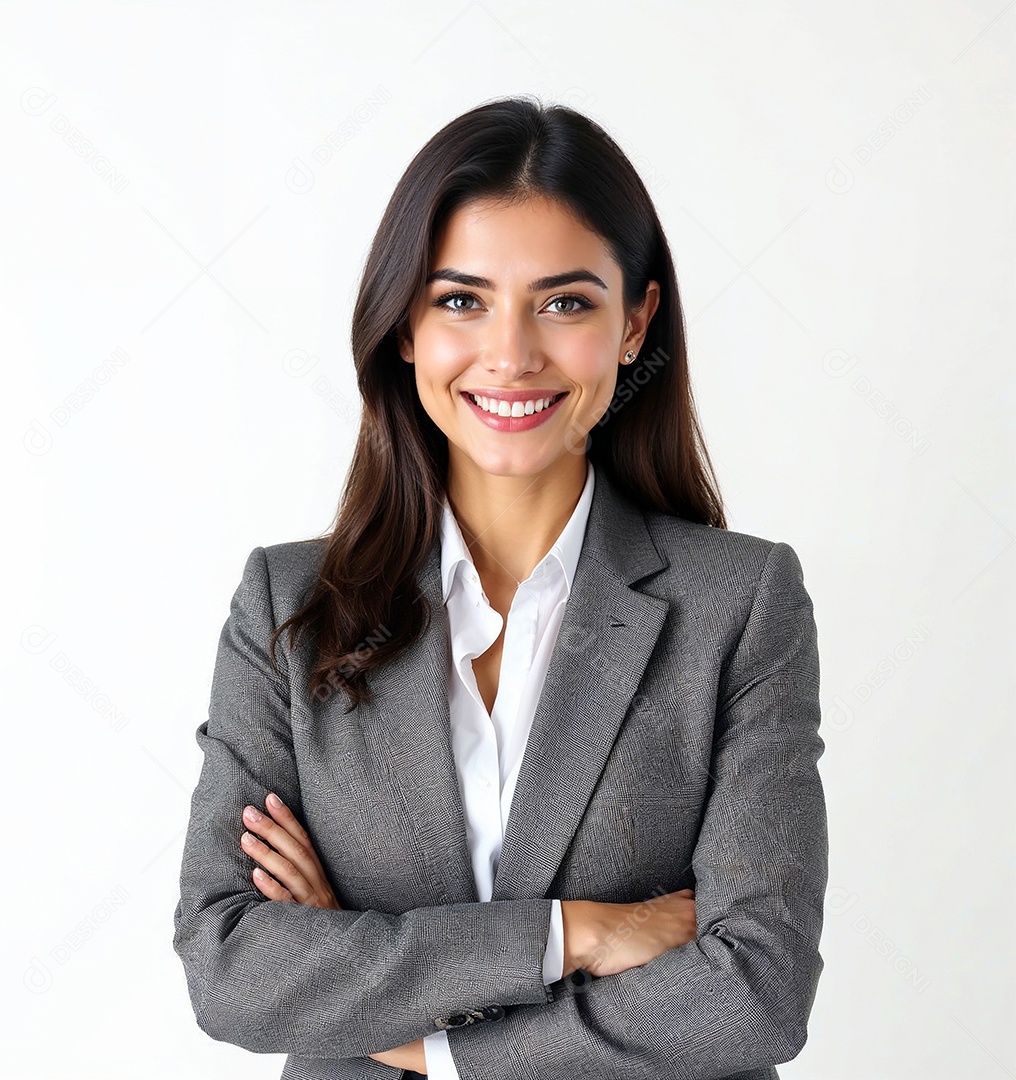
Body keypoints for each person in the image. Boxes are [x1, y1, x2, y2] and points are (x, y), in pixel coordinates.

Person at [172, 94, 828, 1080]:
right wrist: (571, 935)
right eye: (461, 300)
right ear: (404, 327)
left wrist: (410, 1032)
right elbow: (230, 966)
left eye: (565, 303)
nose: (511, 354)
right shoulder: (288, 607)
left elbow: (755, 995)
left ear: (634, 321)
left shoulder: (737, 607)